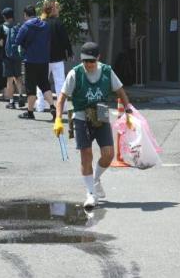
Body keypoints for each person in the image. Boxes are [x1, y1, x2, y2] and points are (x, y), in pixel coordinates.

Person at [53, 42, 132, 209]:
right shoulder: (75, 73)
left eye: (91, 61)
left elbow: (120, 91)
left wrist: (128, 111)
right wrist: (58, 119)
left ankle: (95, 179)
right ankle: (90, 193)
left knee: (109, 154)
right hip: (81, 116)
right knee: (86, 154)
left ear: (98, 58)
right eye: (85, 61)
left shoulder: (107, 72)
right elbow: (61, 97)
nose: (88, 64)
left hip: (101, 115)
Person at [15, 5, 55, 120]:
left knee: (30, 87)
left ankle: (30, 112)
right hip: (44, 60)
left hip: (31, 60)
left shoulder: (26, 25)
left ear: (26, 15)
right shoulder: (46, 25)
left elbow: (18, 40)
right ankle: (53, 107)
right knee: (44, 84)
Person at [36, 1, 71, 112]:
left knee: (41, 82)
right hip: (57, 57)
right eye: (56, 8)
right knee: (60, 82)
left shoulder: (40, 23)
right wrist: (69, 52)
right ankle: (63, 107)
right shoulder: (58, 23)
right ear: (52, 10)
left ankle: (40, 106)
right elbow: (65, 39)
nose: (58, 10)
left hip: (42, 58)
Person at [0, 7, 24, 109]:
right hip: (17, 56)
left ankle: (11, 102)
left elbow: (1, 43)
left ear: (4, 17)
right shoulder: (18, 26)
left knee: (9, 79)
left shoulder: (2, 27)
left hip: (7, 57)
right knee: (18, 77)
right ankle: (21, 96)